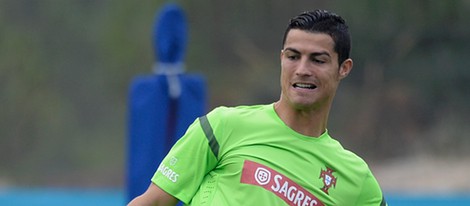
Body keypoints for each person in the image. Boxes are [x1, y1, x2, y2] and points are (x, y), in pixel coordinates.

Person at [128, 9, 387, 206]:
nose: (302, 70)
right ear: (281, 58)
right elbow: (153, 201)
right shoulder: (222, 126)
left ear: (344, 68)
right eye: (293, 56)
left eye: (318, 60)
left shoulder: (356, 179)